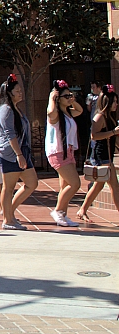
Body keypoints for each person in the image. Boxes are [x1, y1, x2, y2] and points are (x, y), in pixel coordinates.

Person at [0, 74, 37, 230]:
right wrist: (19, 155)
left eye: (21, 90)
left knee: (32, 183)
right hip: (10, 154)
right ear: (9, 92)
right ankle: (8, 220)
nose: (21, 92)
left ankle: (9, 212)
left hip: (21, 151)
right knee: (9, 187)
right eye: (17, 90)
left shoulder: (15, 109)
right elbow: (10, 134)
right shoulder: (6, 110)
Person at [76, 85, 119, 220]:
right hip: (102, 156)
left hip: (107, 155)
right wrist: (113, 132)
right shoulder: (99, 117)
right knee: (114, 187)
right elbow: (94, 135)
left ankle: (82, 210)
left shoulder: (110, 117)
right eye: (114, 102)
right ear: (107, 103)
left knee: (98, 186)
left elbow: (113, 138)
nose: (116, 104)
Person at [45, 79, 82, 227]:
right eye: (66, 96)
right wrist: (51, 98)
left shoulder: (68, 113)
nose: (69, 98)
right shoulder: (55, 114)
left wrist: (72, 100)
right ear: (57, 98)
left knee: (65, 185)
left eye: (70, 95)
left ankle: (63, 215)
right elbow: (50, 112)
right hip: (58, 152)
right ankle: (58, 210)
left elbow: (80, 110)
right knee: (75, 183)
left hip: (68, 151)